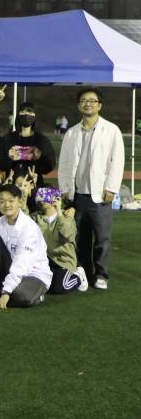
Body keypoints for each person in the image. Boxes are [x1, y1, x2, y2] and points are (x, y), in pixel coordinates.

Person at [57, 87, 125, 290]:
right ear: (79, 105)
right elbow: (64, 162)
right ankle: (84, 272)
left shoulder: (111, 130)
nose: (88, 104)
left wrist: (111, 187)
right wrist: (64, 188)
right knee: (80, 238)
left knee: (102, 237)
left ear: (99, 105)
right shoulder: (71, 133)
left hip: (100, 194)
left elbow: (117, 161)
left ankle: (101, 274)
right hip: (77, 194)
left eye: (92, 100)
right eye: (84, 100)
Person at [0, 185, 51, 309]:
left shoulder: (29, 227)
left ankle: (38, 295)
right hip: (12, 269)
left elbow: (22, 262)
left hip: (34, 274)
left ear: (20, 202)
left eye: (11, 201)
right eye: (2, 201)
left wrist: (6, 292)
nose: (6, 205)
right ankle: (4, 290)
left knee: (20, 295)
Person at [32, 194, 88, 293]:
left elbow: (68, 235)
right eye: (40, 195)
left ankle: (78, 276)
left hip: (63, 261)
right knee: (45, 286)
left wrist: (59, 211)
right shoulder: (35, 217)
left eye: (46, 194)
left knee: (60, 286)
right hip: (45, 261)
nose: (43, 198)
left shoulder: (66, 216)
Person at [0, 101, 56, 188]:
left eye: (30, 112)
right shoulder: (7, 139)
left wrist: (39, 157)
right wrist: (9, 157)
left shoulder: (42, 140)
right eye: (23, 111)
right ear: (18, 115)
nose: (26, 114)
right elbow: (0, 164)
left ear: (35, 116)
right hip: (11, 186)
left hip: (35, 184)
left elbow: (49, 166)